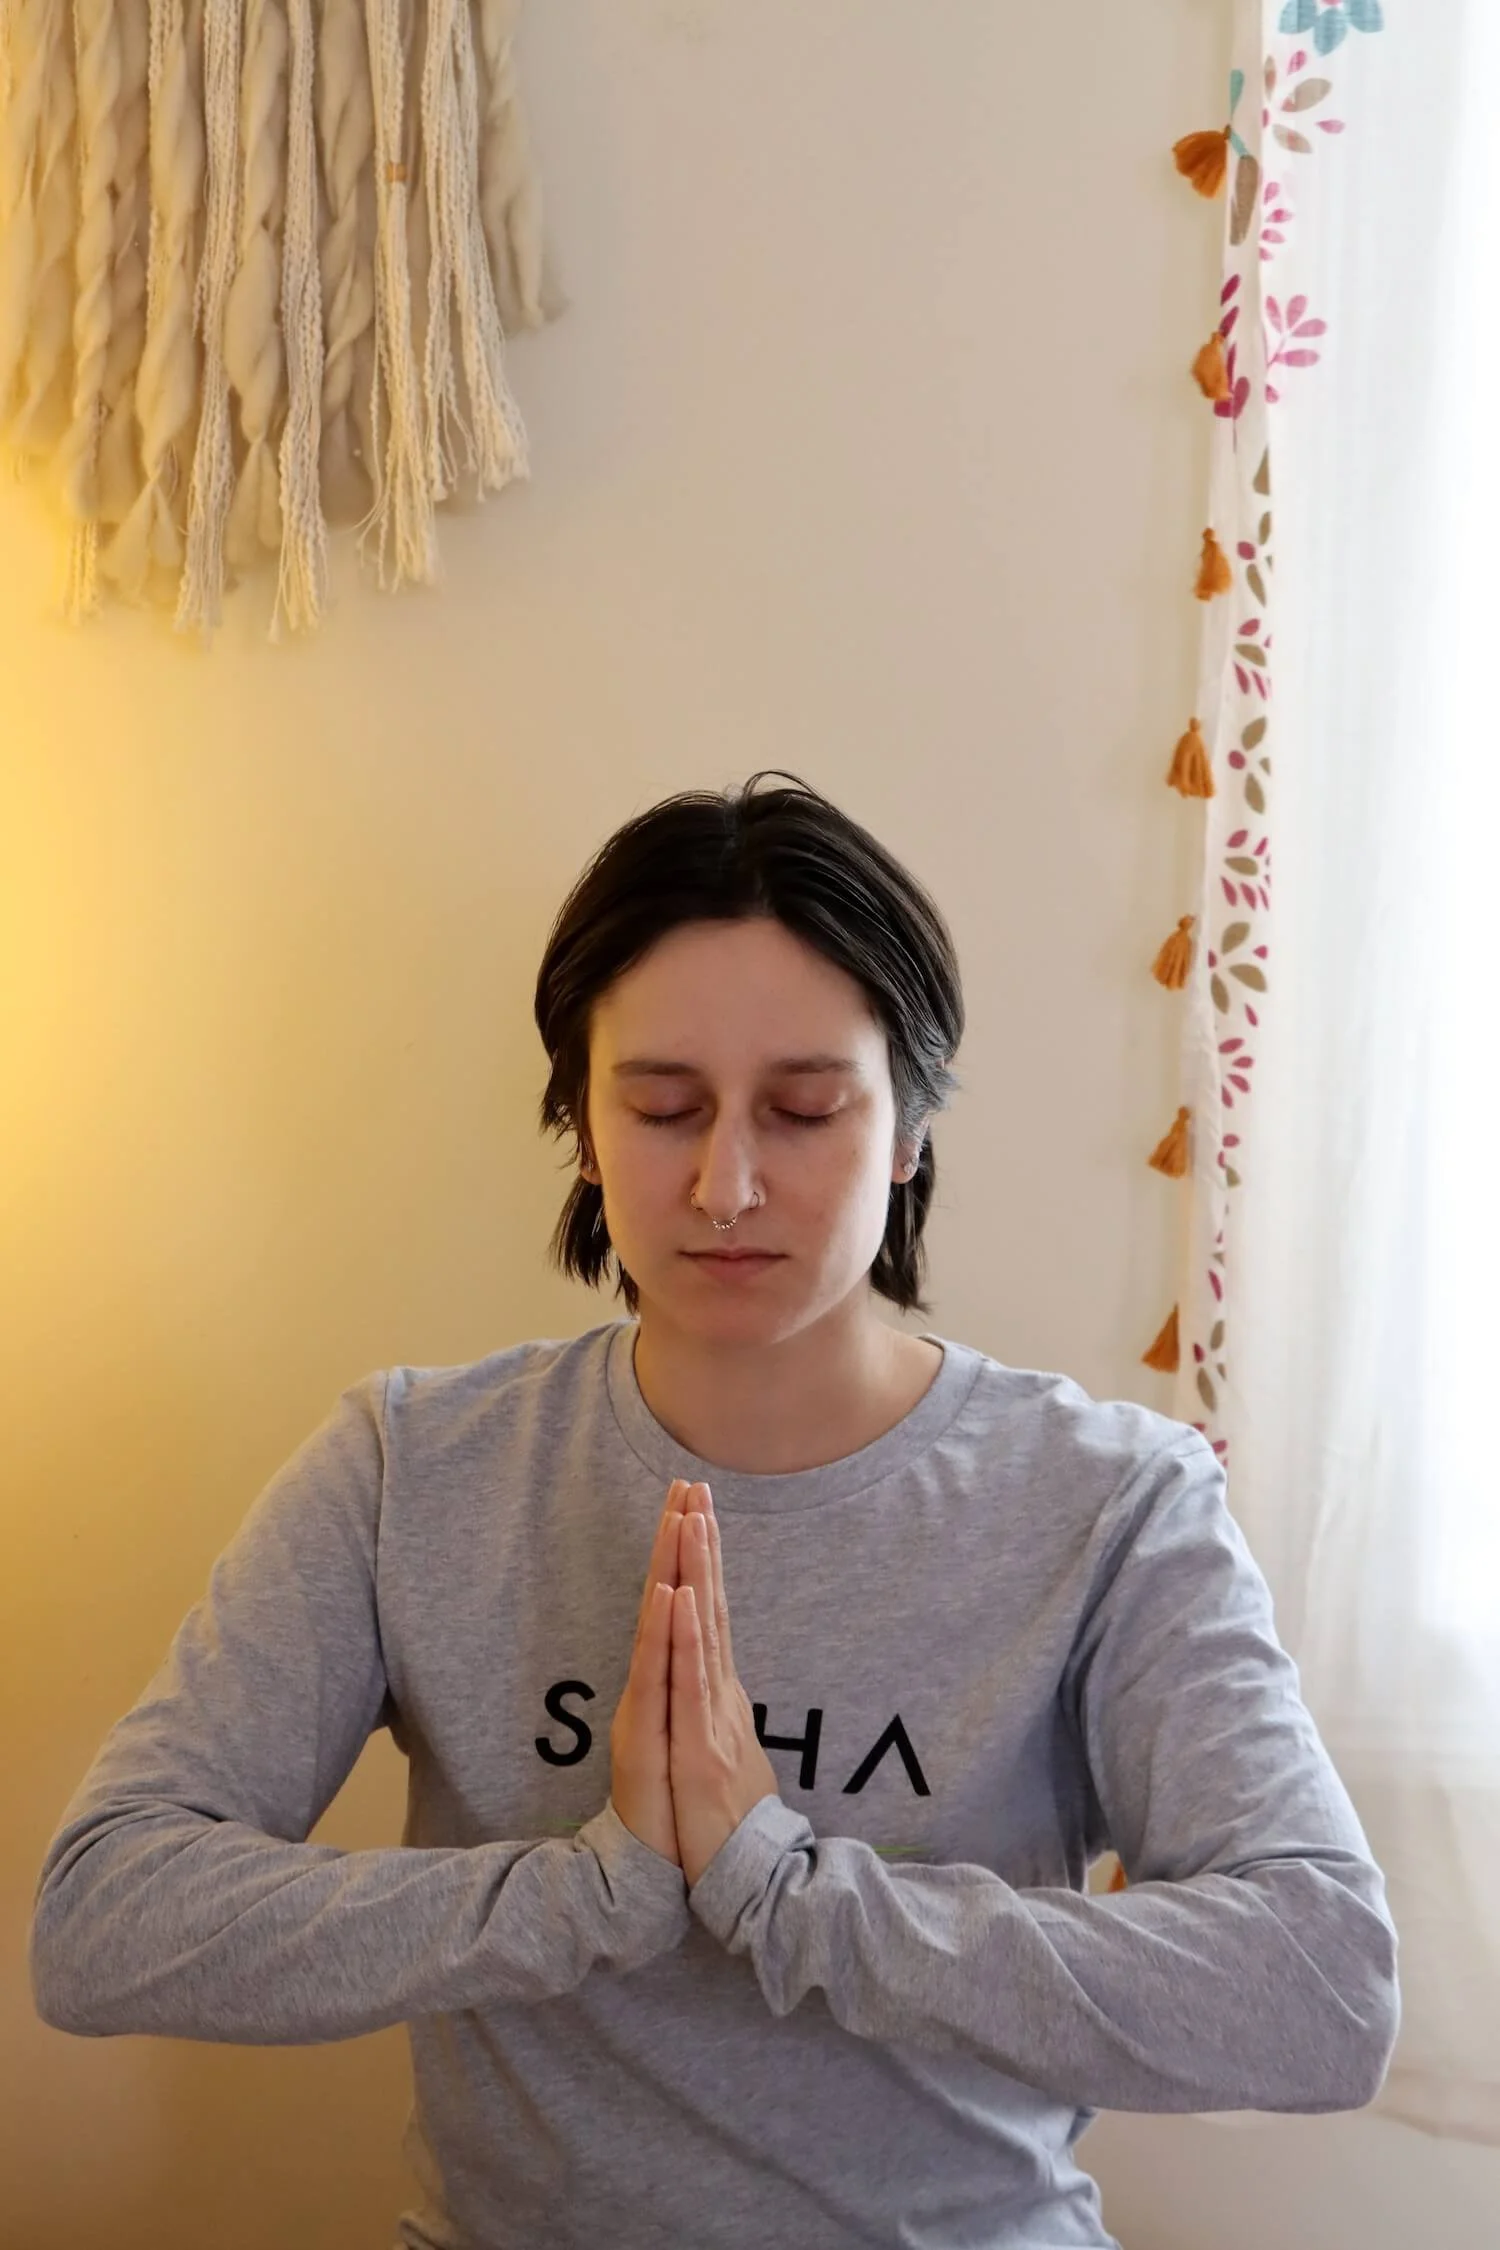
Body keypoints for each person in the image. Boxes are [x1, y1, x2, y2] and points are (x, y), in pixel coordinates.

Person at [29, 773, 1399, 2250]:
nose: (727, 1181)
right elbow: (105, 1917)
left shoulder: (1110, 1501)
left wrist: (781, 1885)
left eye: (806, 1109)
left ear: (911, 1125)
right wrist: (583, 1891)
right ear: (580, 1125)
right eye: (664, 1106)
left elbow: (1320, 1992)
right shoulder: (409, 1466)